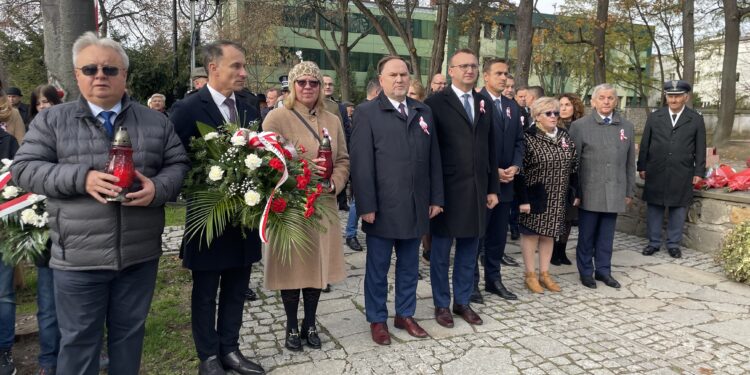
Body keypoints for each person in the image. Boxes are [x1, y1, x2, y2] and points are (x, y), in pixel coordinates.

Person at [11, 31, 189, 375]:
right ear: (77, 74)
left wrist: (159, 188)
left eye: (110, 70)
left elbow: (178, 165)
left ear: (125, 75)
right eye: (90, 69)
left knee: (129, 339)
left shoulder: (155, 121)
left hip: (139, 256)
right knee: (78, 344)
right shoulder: (52, 120)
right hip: (78, 259)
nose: (100, 76)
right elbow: (24, 169)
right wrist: (82, 178)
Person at [171, 40, 265, 375]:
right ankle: (208, 356)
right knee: (206, 290)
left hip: (244, 216)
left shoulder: (251, 107)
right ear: (213, 68)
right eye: (236, 66)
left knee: (237, 288)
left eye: (243, 66)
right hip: (209, 216)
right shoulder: (188, 109)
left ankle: (231, 349)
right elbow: (175, 161)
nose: (243, 72)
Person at [351, 56, 443, 345]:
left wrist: (436, 197)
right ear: (382, 80)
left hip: (417, 204)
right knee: (378, 268)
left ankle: (405, 313)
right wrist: (366, 205)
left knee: (409, 265)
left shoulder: (423, 110)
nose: (400, 79)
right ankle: (377, 319)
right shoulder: (367, 113)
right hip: (383, 206)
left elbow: (434, 158)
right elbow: (361, 163)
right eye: (393, 75)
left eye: (404, 74)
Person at [261, 61, 349, 352]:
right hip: (291, 204)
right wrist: (300, 171)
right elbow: (267, 161)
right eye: (302, 82)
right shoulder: (276, 117)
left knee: (317, 266)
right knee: (292, 268)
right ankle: (290, 325)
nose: (308, 87)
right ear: (292, 86)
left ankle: (310, 322)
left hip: (323, 203)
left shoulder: (332, 120)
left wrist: (334, 183)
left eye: (313, 82)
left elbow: (344, 160)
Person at [425, 48, 499, 328]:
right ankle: (442, 304)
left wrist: (492, 188)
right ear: (451, 70)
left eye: (473, 66)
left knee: (469, 251)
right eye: (463, 66)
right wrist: (434, 194)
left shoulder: (483, 102)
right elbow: (430, 152)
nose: (469, 70)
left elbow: (490, 147)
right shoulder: (435, 103)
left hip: (477, 189)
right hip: (447, 190)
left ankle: (463, 301)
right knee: (441, 253)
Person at [569, 83, 635, 290]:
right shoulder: (580, 126)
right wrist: (575, 191)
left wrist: (629, 190)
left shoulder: (626, 126)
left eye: (610, 98)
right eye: (602, 98)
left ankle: (604, 271)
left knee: (607, 235)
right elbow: (573, 162)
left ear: (616, 101)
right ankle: (586, 271)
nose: (606, 101)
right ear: (593, 101)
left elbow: (630, 162)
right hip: (590, 190)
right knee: (587, 235)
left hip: (615, 189)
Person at [472, 58, 524, 305]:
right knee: (476, 236)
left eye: (506, 73)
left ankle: (493, 280)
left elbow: (518, 141)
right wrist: (494, 170)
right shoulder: (474, 102)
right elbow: (473, 146)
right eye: (499, 73)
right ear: (486, 76)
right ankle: (470, 283)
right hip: (482, 183)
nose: (504, 78)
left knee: (497, 237)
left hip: (506, 184)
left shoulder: (511, 106)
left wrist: (515, 165)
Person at [515, 97, 579, 294]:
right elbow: (520, 171)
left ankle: (545, 273)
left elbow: (574, 166)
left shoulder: (564, 136)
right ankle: (530, 275)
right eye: (548, 113)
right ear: (537, 116)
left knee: (549, 233)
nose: (554, 117)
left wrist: (576, 192)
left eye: (556, 113)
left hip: (558, 194)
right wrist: (523, 199)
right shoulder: (527, 137)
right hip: (535, 194)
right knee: (531, 234)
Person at [638, 80, 706, 259]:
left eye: (677, 96)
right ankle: (653, 242)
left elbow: (700, 147)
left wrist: (699, 172)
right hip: (656, 169)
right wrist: (642, 166)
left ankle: (673, 244)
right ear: (666, 97)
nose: (674, 99)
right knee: (654, 206)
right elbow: (645, 143)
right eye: (670, 96)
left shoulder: (696, 119)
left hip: (681, 171)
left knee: (678, 207)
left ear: (686, 97)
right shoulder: (655, 117)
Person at [344, 79, 381, 252]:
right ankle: (351, 234)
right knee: (357, 202)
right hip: (364, 168)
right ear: (377, 93)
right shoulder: (364, 111)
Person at [551, 93, 585, 266]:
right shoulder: (552, 124)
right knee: (555, 215)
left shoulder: (581, 126)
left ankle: (561, 250)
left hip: (574, 177)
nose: (563, 108)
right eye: (561, 104)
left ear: (575, 107)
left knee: (569, 217)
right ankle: (552, 250)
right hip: (556, 177)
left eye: (567, 105)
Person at [0, 127, 19, 375]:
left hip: (1, 229)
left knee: (3, 293)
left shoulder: (7, 141)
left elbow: (18, 179)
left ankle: (3, 350)